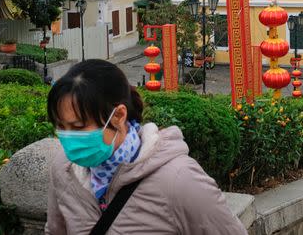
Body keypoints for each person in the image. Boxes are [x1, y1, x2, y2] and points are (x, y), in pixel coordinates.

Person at [45, 59, 247, 235]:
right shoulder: (64, 169)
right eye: (61, 127)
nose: (68, 138)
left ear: (118, 116)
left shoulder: (180, 180)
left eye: (78, 127)